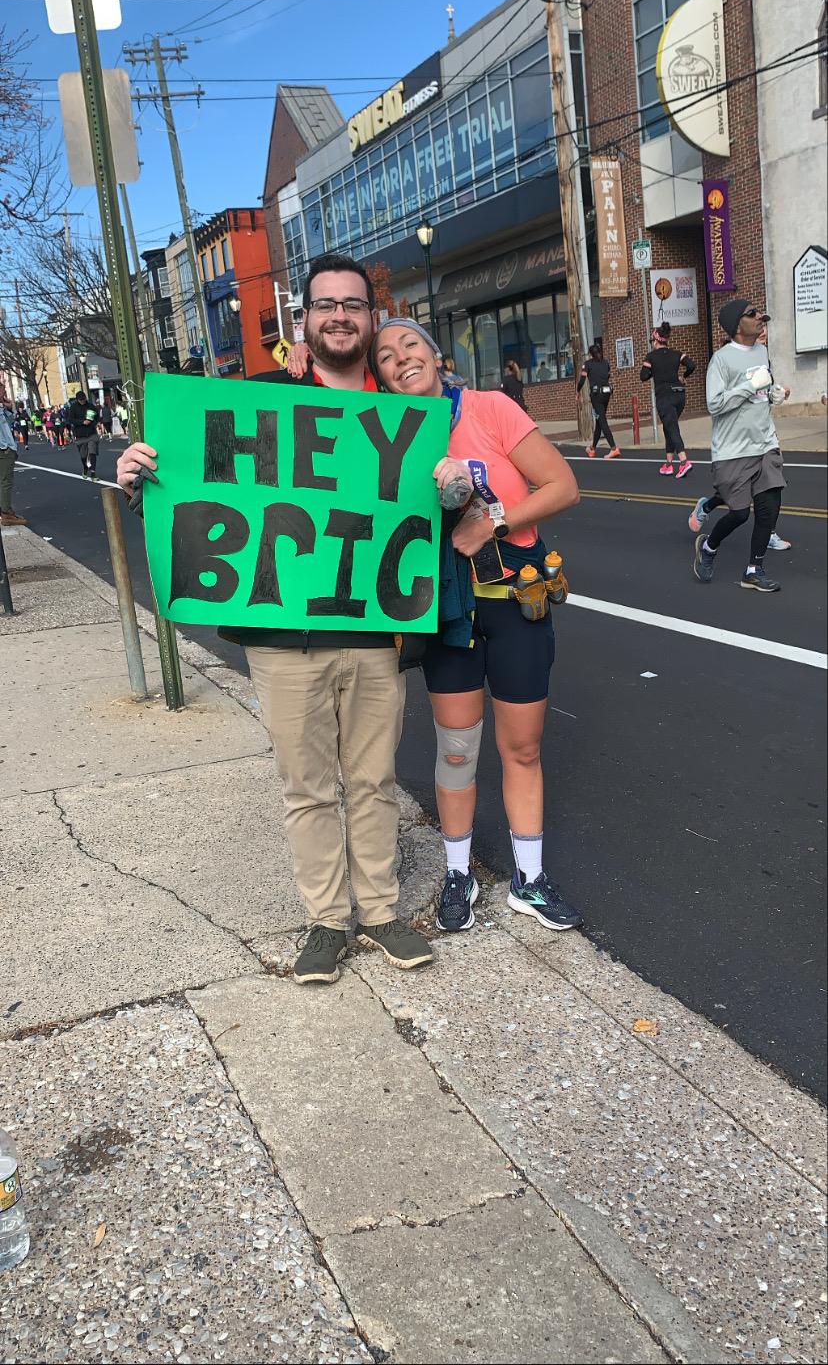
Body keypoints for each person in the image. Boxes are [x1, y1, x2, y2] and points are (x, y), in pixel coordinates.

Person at [116, 252, 434, 985]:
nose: (340, 317)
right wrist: (141, 479)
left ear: (369, 316)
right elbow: (194, 486)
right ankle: (328, 922)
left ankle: (380, 911)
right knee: (307, 786)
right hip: (285, 640)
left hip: (376, 633)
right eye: (326, 305)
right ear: (307, 320)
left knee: (375, 779)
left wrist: (454, 492)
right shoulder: (261, 406)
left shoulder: (403, 417)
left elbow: (435, 508)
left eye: (353, 304)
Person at [370, 317, 583, 937]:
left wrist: (491, 521)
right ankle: (458, 873)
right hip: (447, 613)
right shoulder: (387, 436)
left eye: (411, 344)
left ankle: (530, 879)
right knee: (457, 751)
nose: (401, 358)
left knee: (521, 747)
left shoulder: (488, 409)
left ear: (436, 356)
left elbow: (564, 485)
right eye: (385, 356)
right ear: (379, 376)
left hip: (516, 603)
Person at [693, 298, 789, 593]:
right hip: (732, 451)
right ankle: (709, 547)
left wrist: (774, 393)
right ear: (737, 325)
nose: (760, 318)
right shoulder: (721, 360)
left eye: (759, 314)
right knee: (738, 514)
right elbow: (715, 404)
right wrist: (751, 386)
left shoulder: (762, 351)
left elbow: (764, 389)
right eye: (753, 314)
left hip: (765, 444)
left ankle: (754, 569)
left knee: (769, 508)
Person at [640, 323, 695, 477]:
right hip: (679, 395)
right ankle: (669, 464)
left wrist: (655, 370)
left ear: (656, 339)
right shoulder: (677, 354)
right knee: (668, 426)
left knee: (672, 427)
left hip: (664, 396)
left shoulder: (651, 356)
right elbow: (691, 365)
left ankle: (684, 462)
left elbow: (643, 376)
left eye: (652, 341)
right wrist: (683, 376)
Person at [576, 343, 621, 458]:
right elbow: (607, 375)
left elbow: (582, 380)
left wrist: (578, 392)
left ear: (590, 354)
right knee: (600, 420)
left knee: (602, 421)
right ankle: (592, 449)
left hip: (597, 395)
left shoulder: (588, 364)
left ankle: (613, 448)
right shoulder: (605, 362)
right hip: (606, 394)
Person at [1, 391, 26, 527]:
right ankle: (6, 513)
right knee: (6, 481)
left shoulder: (2, 409)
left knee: (4, 480)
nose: (4, 395)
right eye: (2, 392)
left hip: (6, 448)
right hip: (4, 450)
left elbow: (10, 422)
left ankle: (6, 510)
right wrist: (6, 447)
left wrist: (9, 408)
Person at [68, 390, 100, 480]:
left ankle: (93, 472)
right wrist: (82, 422)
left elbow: (97, 416)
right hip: (80, 434)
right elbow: (70, 420)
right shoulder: (73, 407)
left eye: (84, 399)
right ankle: (86, 468)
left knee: (92, 451)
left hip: (91, 433)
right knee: (83, 455)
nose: (83, 401)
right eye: (81, 400)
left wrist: (93, 423)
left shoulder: (90, 406)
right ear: (77, 399)